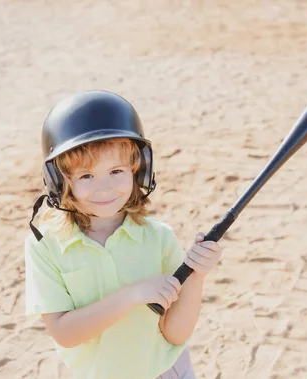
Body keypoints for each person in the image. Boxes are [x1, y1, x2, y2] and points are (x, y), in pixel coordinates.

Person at [25, 90, 223, 379]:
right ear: (59, 182)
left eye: (116, 171)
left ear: (137, 171)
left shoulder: (159, 238)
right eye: (86, 176)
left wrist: (196, 277)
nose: (104, 188)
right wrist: (130, 295)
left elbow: (176, 334)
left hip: (166, 371)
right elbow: (65, 333)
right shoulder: (45, 246)